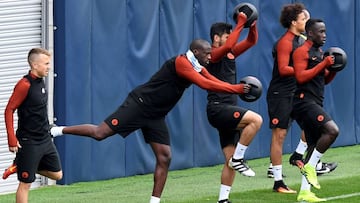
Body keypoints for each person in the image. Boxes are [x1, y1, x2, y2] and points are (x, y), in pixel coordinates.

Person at [49, 39, 251, 203]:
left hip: (155, 115)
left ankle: (154, 201)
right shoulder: (181, 63)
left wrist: (236, 87)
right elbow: (205, 84)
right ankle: (57, 130)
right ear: (196, 52)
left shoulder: (197, 64)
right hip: (139, 105)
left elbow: (213, 81)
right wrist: (237, 90)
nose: (210, 57)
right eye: (207, 53)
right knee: (100, 133)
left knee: (165, 157)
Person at [206, 13, 261, 203]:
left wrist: (251, 25)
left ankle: (223, 200)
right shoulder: (212, 54)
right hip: (218, 108)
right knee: (256, 120)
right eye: (227, 35)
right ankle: (239, 158)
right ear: (216, 38)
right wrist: (240, 22)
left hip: (228, 109)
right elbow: (229, 45)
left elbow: (252, 41)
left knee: (229, 160)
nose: (231, 39)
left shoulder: (229, 53)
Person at [3, 48, 63, 203]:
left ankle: (22, 164)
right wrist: (11, 138)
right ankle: (25, 164)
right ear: (35, 65)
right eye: (46, 64)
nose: (49, 67)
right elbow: (9, 109)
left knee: (57, 175)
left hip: (44, 139)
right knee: (25, 184)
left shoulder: (41, 80)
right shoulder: (24, 84)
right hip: (29, 142)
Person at [292, 18, 337, 202]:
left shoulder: (318, 52)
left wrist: (333, 69)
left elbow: (324, 79)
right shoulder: (301, 51)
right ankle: (311, 166)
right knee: (332, 130)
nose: (324, 35)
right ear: (310, 33)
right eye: (320, 32)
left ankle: (304, 192)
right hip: (304, 103)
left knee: (312, 145)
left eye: (325, 31)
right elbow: (301, 77)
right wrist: (323, 64)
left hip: (315, 102)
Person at [266, 3, 307, 194]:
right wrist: (306, 70)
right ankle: (278, 182)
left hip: (296, 92)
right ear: (293, 22)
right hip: (280, 94)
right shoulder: (285, 42)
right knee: (279, 135)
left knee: (313, 125)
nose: (306, 21)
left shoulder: (302, 40)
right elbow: (283, 69)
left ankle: (298, 155)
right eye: (303, 19)